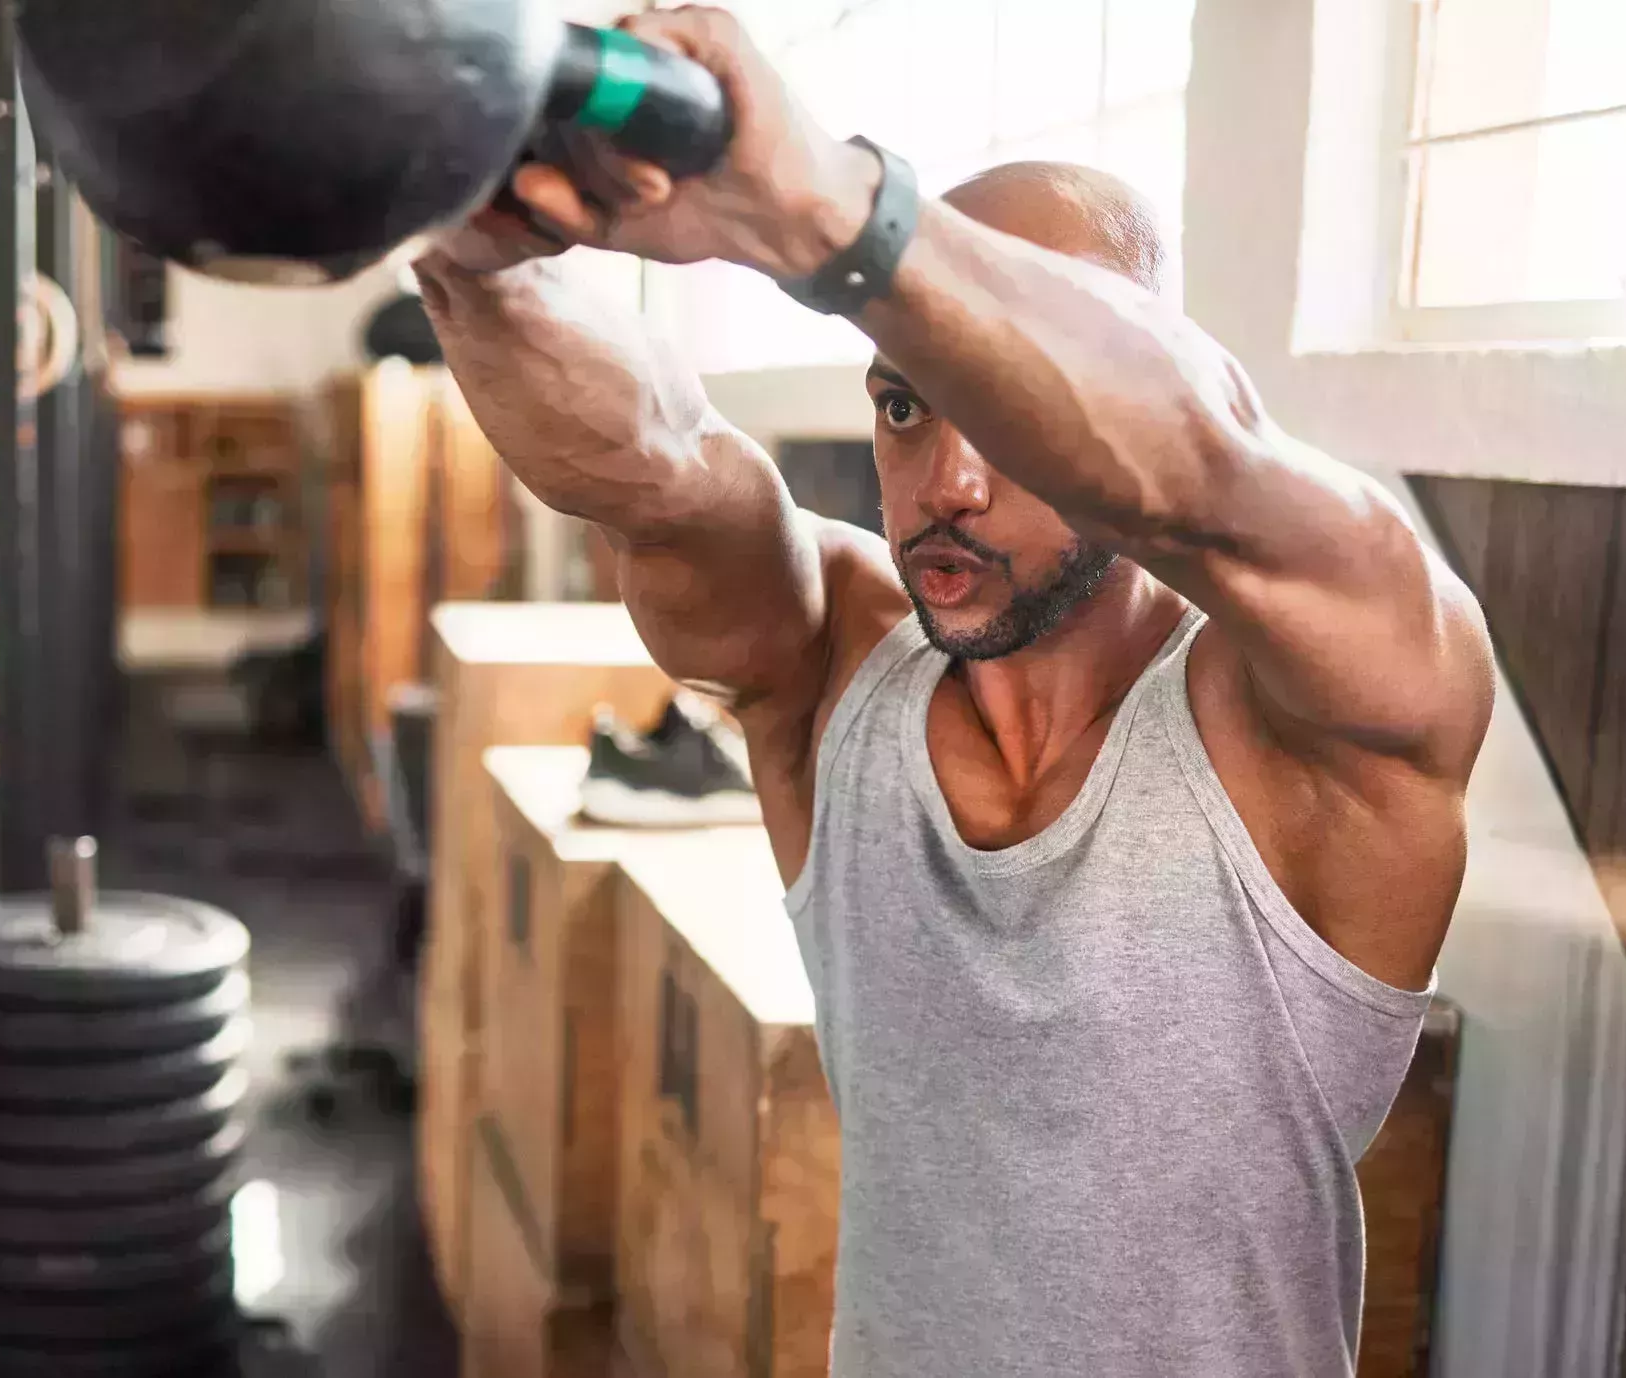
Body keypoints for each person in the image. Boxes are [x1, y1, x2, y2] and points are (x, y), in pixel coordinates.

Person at [414, 9, 1495, 1375]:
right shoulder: (835, 676)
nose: (950, 484)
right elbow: (663, 465)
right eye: (906, 407)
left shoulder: (1305, 724)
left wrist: (826, 210)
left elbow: (1205, 469)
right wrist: (471, 249)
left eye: (1010, 421)